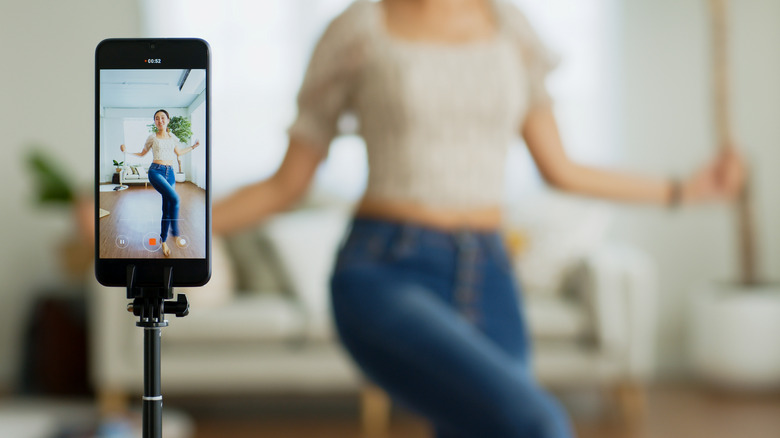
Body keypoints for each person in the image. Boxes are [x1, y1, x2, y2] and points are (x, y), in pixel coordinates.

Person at [214, 1, 744, 436]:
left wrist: (685, 190)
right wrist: (179, 228)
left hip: (490, 276)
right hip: (385, 271)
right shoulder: (358, 29)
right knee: (539, 424)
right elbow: (285, 185)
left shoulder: (511, 29)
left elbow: (561, 169)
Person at [121, 109, 200, 257]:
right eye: (157, 118)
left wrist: (194, 146)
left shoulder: (172, 137)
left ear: (168, 120)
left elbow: (179, 153)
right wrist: (126, 152)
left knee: (167, 208)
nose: (160, 120)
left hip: (170, 173)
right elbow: (142, 154)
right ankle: (175, 234)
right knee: (175, 199)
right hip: (155, 172)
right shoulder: (152, 137)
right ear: (155, 122)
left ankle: (163, 241)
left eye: (163, 117)